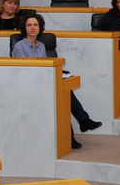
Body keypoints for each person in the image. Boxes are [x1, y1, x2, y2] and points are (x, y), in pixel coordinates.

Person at [11, 14, 103, 148]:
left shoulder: (41, 46)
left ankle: (75, 132)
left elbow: (46, 67)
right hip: (29, 85)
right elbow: (23, 71)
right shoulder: (20, 46)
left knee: (65, 91)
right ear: (24, 28)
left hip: (44, 82)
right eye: (29, 25)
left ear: (39, 27)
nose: (32, 27)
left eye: (35, 25)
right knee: (63, 93)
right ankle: (81, 124)